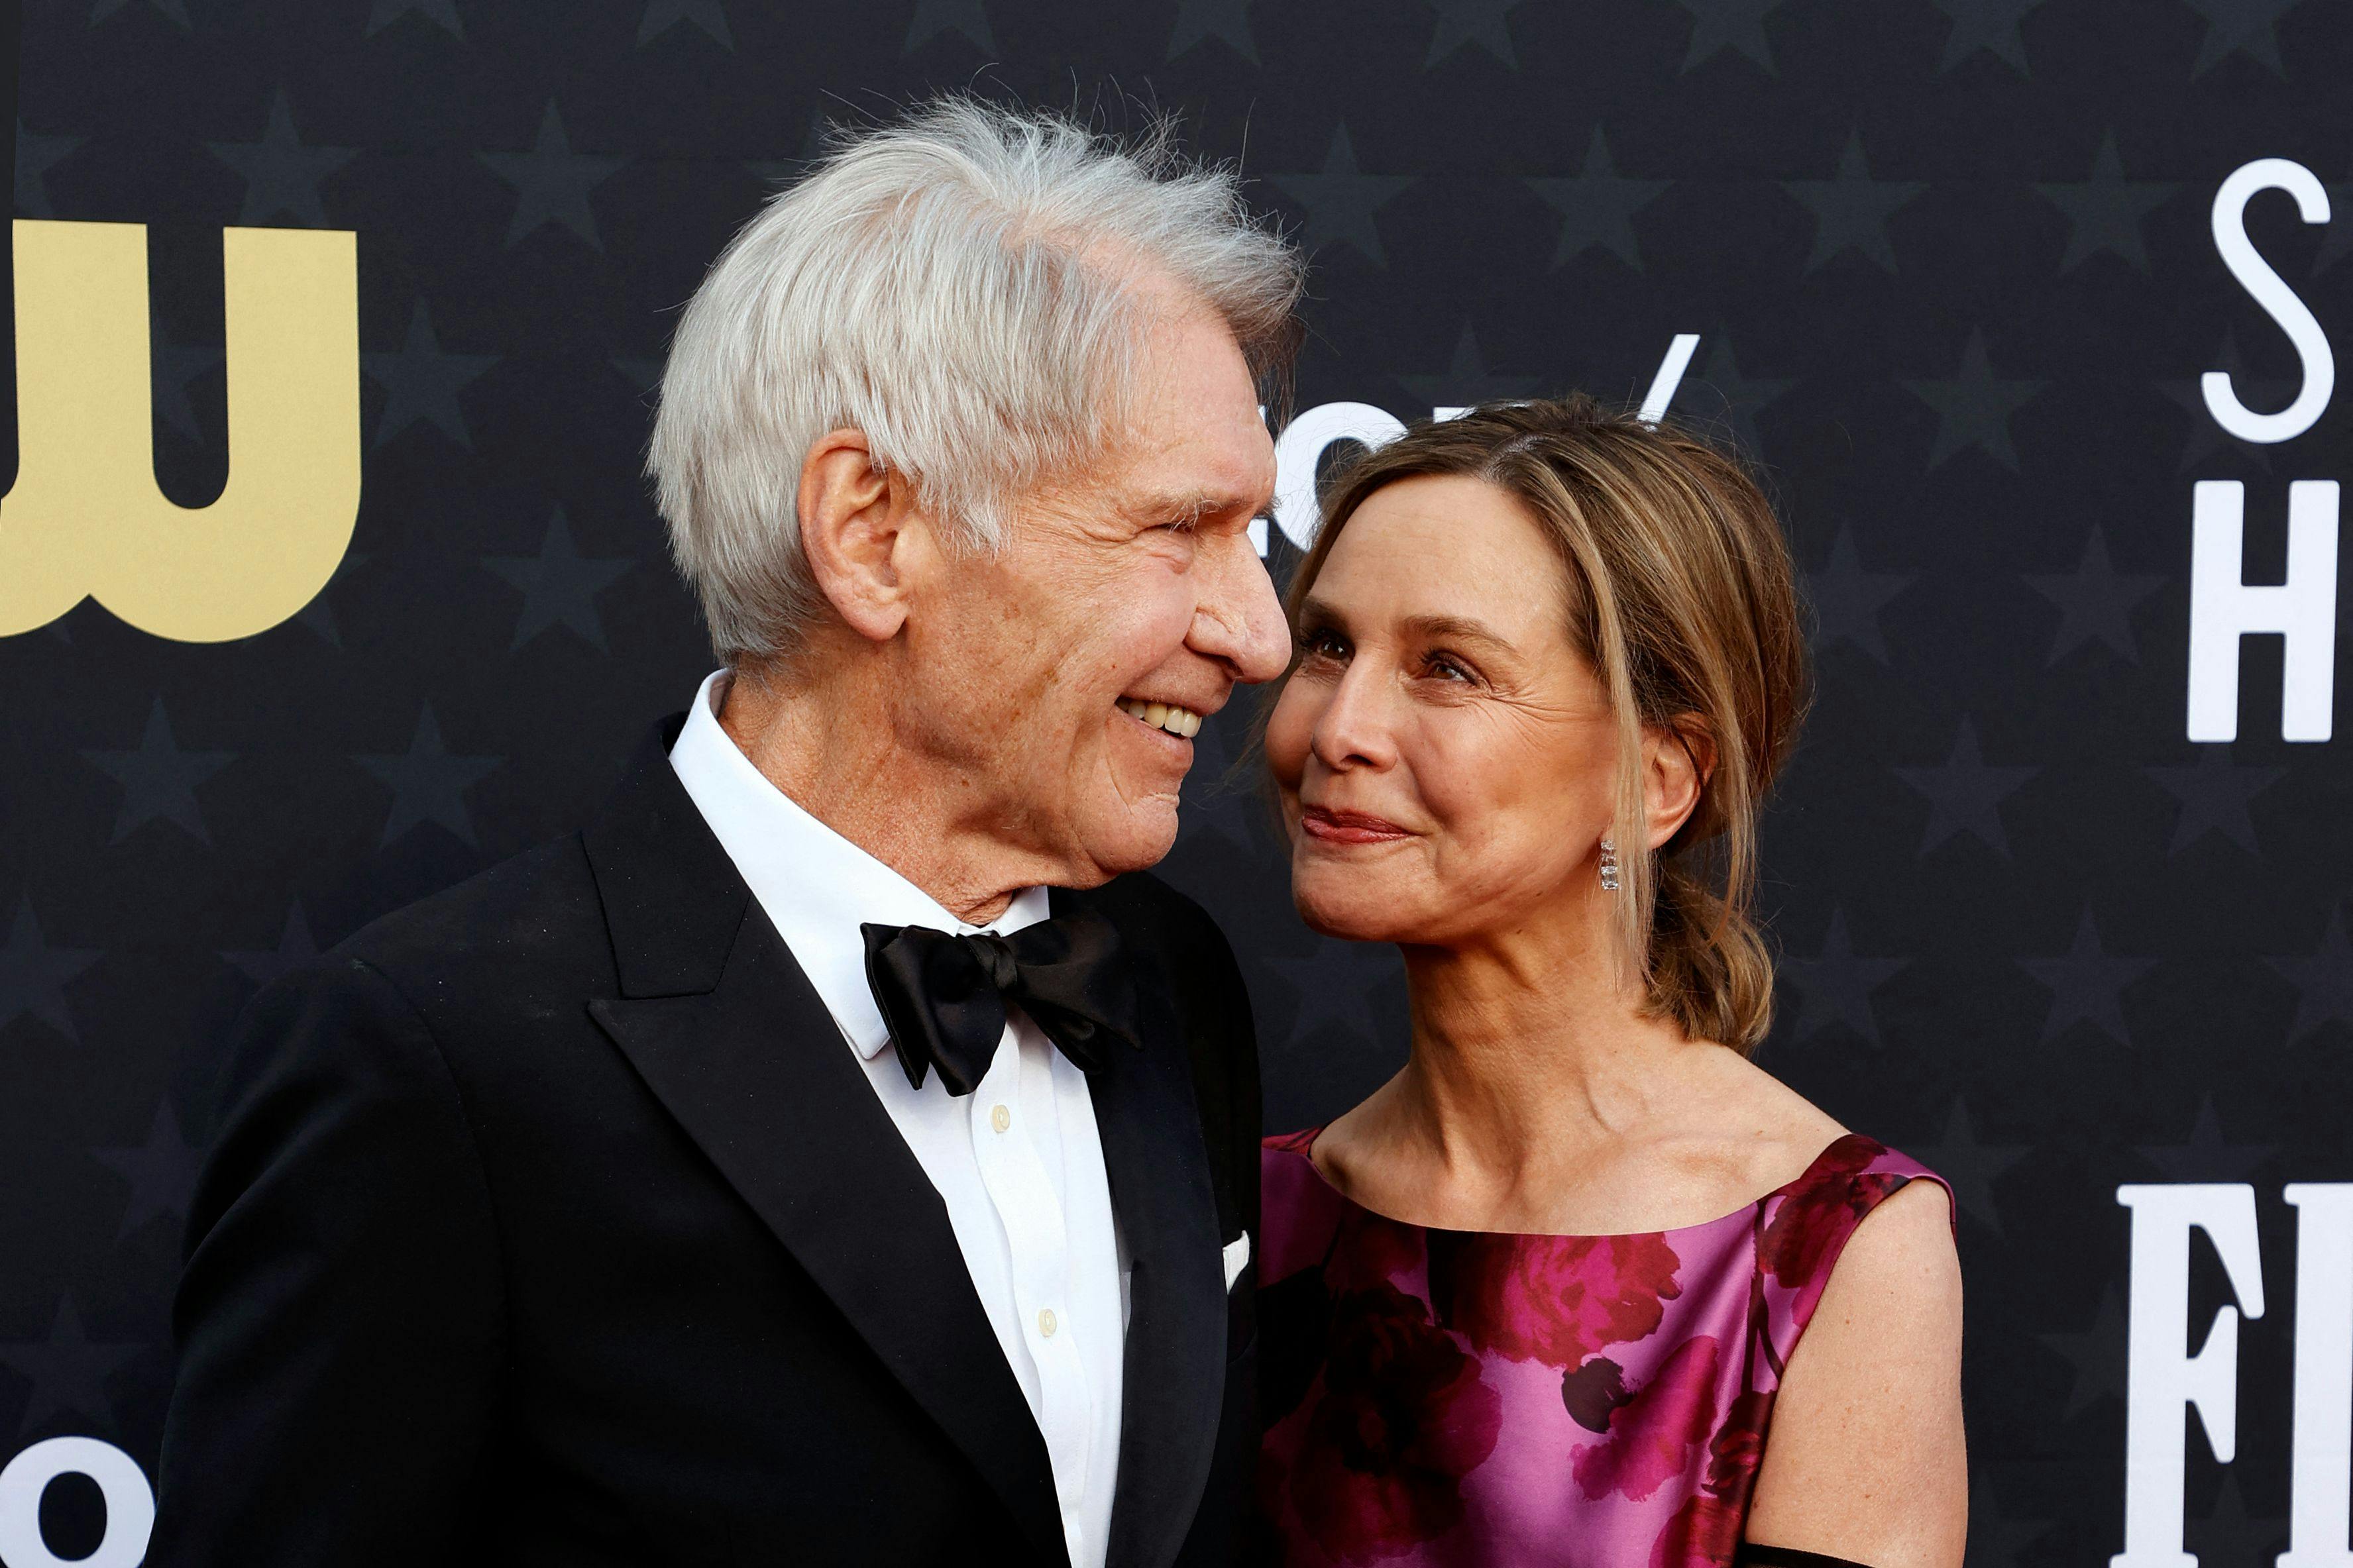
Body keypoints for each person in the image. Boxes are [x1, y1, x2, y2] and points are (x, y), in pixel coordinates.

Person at [152, 99, 1301, 1568]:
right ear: (875, 533)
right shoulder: (436, 1069)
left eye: (1250, 541)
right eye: (1175, 531)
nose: (1257, 635)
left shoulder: (1167, 979)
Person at [1251, 397, 1967, 1567]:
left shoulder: (1827, 1246)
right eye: (1329, 645)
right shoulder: (1245, 1215)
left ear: (1657, 776)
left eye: (1447, 668)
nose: (1342, 726)